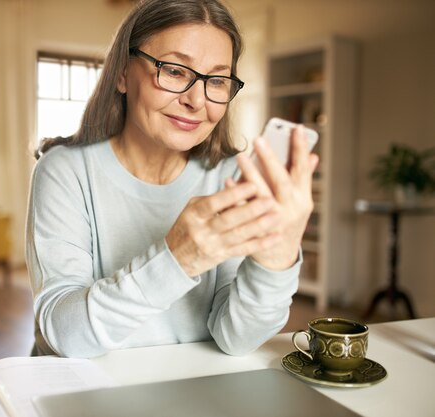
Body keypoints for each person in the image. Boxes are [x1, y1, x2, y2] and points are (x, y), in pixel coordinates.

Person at [26, 0, 318, 358]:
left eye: (217, 79)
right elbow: (65, 336)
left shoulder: (228, 176)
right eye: (176, 71)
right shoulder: (64, 171)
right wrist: (178, 258)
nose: (197, 100)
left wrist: (276, 257)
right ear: (121, 74)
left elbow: (237, 339)